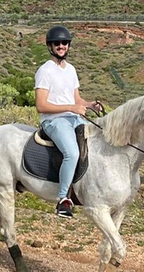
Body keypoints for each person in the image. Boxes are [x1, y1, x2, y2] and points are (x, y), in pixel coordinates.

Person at [34, 25, 100, 218]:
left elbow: (76, 99)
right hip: (54, 121)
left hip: (73, 117)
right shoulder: (45, 71)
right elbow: (41, 105)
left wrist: (89, 105)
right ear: (50, 46)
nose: (61, 46)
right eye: (57, 43)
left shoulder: (71, 70)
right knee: (71, 152)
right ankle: (63, 199)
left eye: (64, 43)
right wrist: (71, 108)